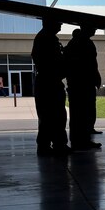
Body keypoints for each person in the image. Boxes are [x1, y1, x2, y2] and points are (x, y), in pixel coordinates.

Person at [31, 17, 70, 156]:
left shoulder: (45, 38)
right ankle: (54, 145)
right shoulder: (46, 39)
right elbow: (52, 62)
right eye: (59, 23)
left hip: (49, 81)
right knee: (53, 115)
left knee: (50, 116)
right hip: (49, 82)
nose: (61, 25)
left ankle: (50, 144)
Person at [64, 25, 102, 150]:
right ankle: (79, 141)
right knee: (80, 114)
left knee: (84, 114)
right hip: (80, 85)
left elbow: (92, 63)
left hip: (83, 84)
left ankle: (83, 140)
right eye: (93, 27)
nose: (95, 29)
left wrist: (95, 77)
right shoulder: (79, 43)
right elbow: (83, 64)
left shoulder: (82, 42)